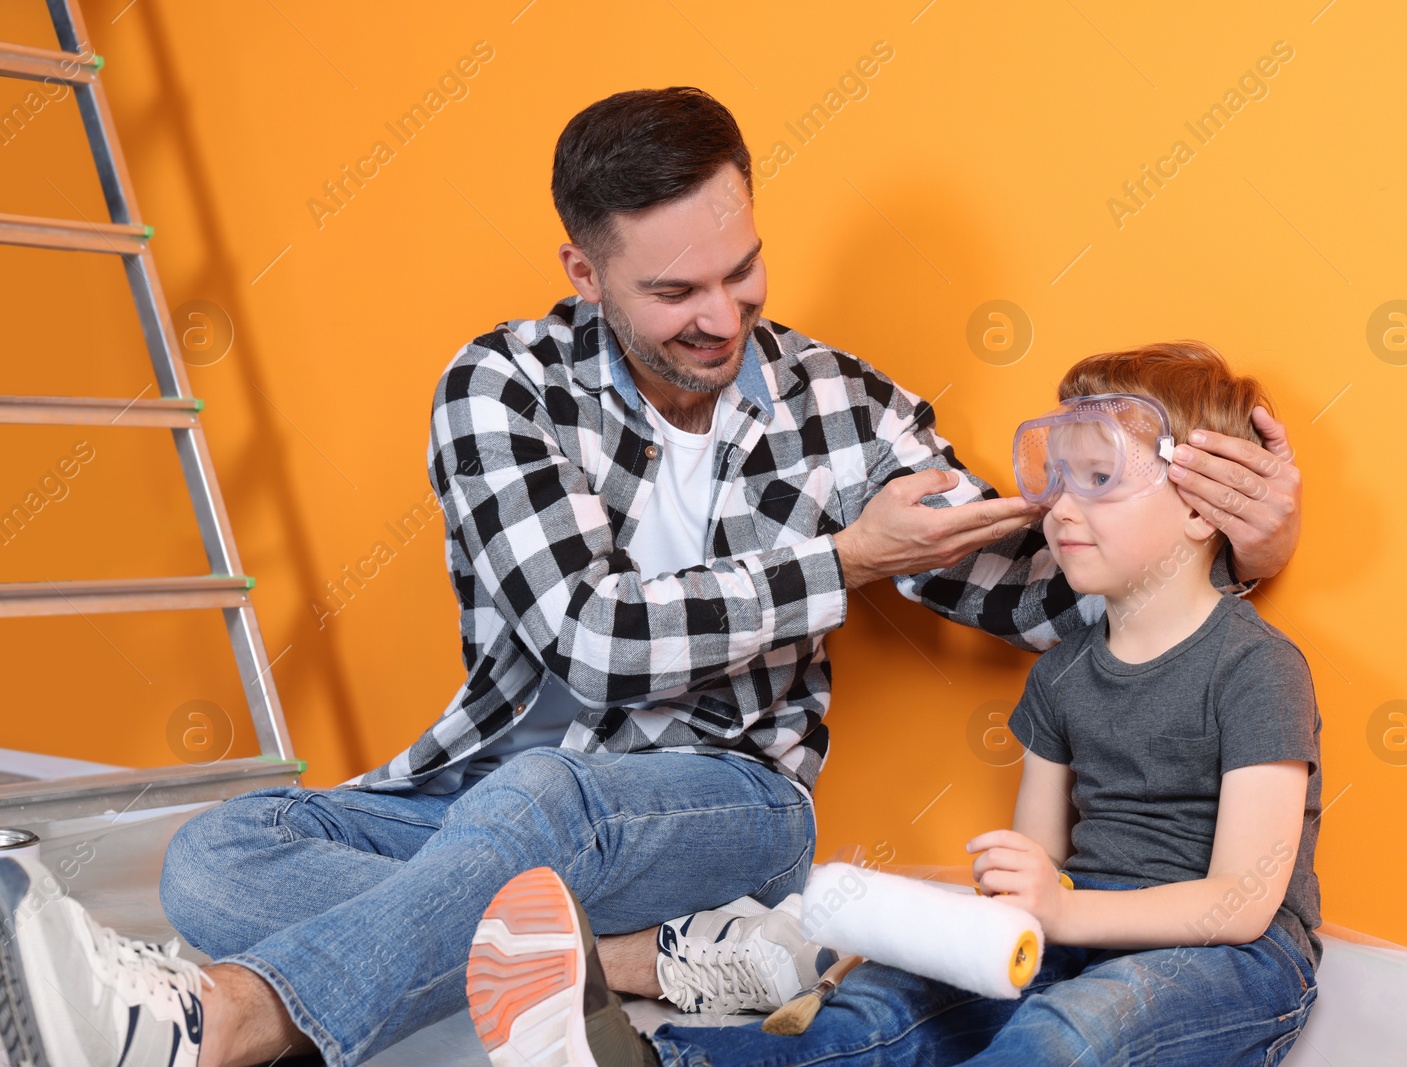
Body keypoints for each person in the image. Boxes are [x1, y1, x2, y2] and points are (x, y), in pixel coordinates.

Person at [0, 86, 1302, 1067]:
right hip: (490, 789)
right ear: (586, 271)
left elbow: (1055, 588)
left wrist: (1239, 538)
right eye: (677, 289)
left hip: (730, 806)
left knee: (535, 799)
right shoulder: (503, 387)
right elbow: (590, 641)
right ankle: (644, 966)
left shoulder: (849, 410)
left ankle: (220, 1019)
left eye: (743, 271)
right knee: (225, 847)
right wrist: (841, 559)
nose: (724, 317)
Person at [475, 341, 1322, 1067]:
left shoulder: (1254, 667)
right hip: (1079, 919)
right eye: (1058, 478)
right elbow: (1034, 863)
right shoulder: (1062, 675)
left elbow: (1241, 901)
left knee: (1068, 1031)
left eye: (1098, 478)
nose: (1060, 507)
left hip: (1232, 957)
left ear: (1204, 508)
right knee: (886, 1009)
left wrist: (1062, 908)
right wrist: (973, 928)